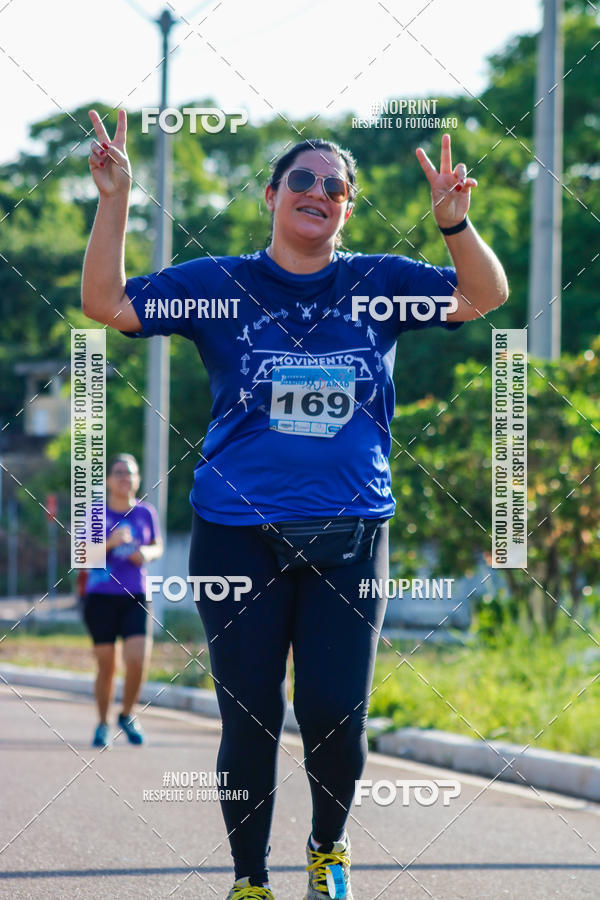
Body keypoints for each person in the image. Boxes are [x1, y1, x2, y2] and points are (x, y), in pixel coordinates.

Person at [81, 108, 508, 900]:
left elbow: (482, 297)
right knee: (251, 717)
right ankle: (250, 879)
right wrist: (115, 202)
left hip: (352, 532)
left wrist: (455, 224)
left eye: (334, 186)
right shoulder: (218, 285)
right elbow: (107, 304)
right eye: (302, 180)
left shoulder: (380, 282)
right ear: (272, 195)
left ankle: (327, 847)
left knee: (336, 710)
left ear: (348, 206)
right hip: (236, 535)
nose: (318, 191)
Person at [81, 452, 163, 749]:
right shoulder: (95, 513)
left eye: (130, 473)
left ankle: (127, 714)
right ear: (108, 480)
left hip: (135, 595)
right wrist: (111, 542)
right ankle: (103, 723)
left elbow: (157, 545)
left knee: (138, 659)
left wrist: (144, 554)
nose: (124, 478)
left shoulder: (145, 512)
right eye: (118, 472)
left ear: (137, 479)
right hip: (100, 597)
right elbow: (82, 555)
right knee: (107, 666)